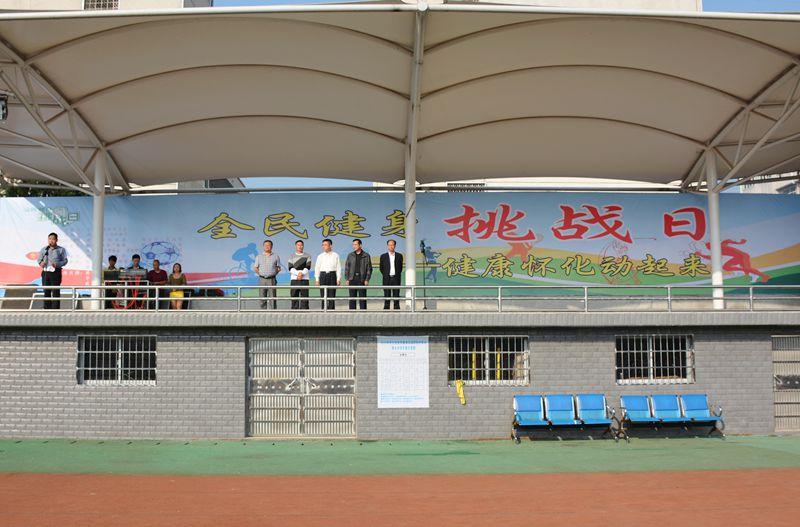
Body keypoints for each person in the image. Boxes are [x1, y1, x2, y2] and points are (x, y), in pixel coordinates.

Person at [37, 232, 68, 309]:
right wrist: (41, 263)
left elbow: (65, 261)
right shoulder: (44, 249)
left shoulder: (61, 250)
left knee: (55, 291)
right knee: (46, 291)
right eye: (49, 239)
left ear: (56, 240)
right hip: (45, 272)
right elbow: (39, 259)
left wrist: (57, 264)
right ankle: (47, 309)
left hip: (55, 272)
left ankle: (55, 309)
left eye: (53, 239)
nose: (51, 241)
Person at [345, 239, 372, 310]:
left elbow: (369, 269)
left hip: (362, 280)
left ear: (360, 245)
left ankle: (363, 314)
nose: (354, 246)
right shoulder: (350, 255)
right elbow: (347, 267)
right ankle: (352, 314)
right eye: (353, 244)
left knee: (362, 299)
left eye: (355, 244)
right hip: (352, 279)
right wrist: (347, 279)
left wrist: (367, 279)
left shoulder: (366, 255)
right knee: (352, 299)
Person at [253, 240, 281, 309]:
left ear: (271, 246)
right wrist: (261, 274)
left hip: (272, 279)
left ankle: (273, 313)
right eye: (265, 245)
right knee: (262, 297)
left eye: (268, 245)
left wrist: (273, 274)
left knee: (273, 298)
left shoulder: (276, 256)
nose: (267, 246)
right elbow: (255, 268)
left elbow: (278, 268)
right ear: (263, 246)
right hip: (262, 279)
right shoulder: (259, 256)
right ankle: (263, 312)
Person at [314, 238, 341, 310]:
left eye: (325, 245)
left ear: (330, 245)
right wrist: (317, 279)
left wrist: (338, 279)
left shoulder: (335, 255)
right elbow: (317, 268)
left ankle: (331, 311)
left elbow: (338, 268)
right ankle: (323, 310)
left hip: (332, 275)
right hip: (323, 275)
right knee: (323, 294)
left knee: (332, 294)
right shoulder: (320, 256)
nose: (323, 246)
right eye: (323, 245)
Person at [379, 239, 404, 310]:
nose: (391, 246)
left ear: (395, 246)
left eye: (392, 245)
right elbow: (381, 268)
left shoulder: (399, 256)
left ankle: (396, 308)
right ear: (387, 246)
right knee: (387, 294)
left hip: (396, 278)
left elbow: (400, 268)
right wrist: (386, 274)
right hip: (387, 278)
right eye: (389, 245)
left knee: (396, 294)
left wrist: (396, 274)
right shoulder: (383, 256)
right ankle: (386, 308)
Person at [288, 240, 312, 310]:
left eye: (301, 245)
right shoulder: (291, 256)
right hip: (294, 279)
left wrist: (302, 274)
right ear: (296, 246)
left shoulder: (307, 255)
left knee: (304, 297)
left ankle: (304, 312)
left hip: (305, 279)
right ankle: (294, 312)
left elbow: (308, 267)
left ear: (303, 246)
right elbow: (290, 268)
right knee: (294, 296)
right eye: (298, 245)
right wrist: (298, 274)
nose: (300, 246)